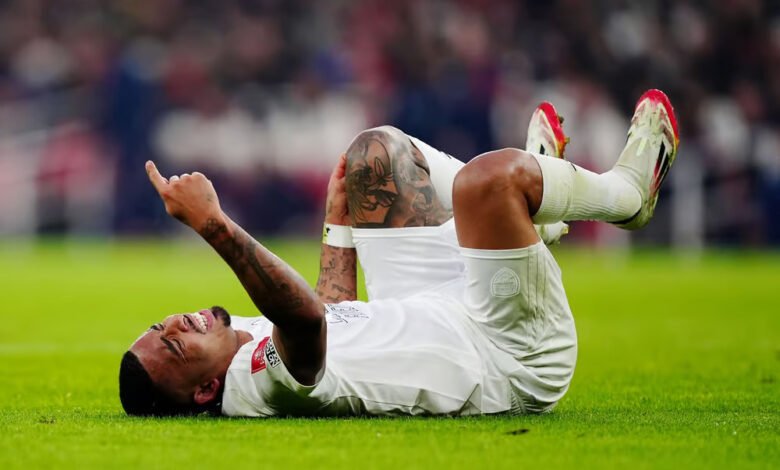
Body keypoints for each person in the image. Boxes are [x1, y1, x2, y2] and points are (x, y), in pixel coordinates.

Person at [119, 89, 679, 417]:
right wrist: (213, 224)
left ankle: (533, 219)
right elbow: (307, 319)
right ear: (205, 390)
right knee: (485, 182)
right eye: (174, 341)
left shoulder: (236, 346)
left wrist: (338, 219)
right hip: (509, 353)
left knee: (372, 155)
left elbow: (333, 312)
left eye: (160, 323)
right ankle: (624, 197)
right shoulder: (258, 382)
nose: (176, 321)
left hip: (431, 304)